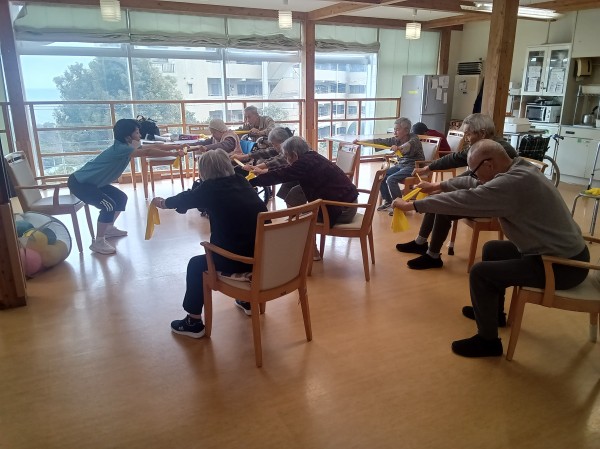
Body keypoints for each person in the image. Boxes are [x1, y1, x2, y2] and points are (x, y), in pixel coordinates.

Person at [392, 139, 590, 358]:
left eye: (475, 170)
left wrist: (413, 205)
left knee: (481, 274)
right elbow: (473, 183)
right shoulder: (517, 167)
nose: (474, 175)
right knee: (493, 249)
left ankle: (488, 342)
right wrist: (438, 186)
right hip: (551, 251)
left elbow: (466, 199)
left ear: (489, 164)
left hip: (564, 265)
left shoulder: (512, 183)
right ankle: (494, 315)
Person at [152, 149, 268, 338]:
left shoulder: (210, 188)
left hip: (238, 260)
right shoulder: (241, 181)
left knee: (196, 265)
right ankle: (246, 301)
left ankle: (193, 322)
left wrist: (164, 203)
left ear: (204, 171)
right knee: (240, 234)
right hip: (263, 255)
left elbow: (186, 198)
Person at [396, 113, 517, 270]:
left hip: (491, 201)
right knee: (438, 197)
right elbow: (461, 164)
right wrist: (433, 176)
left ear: (482, 133)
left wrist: (439, 186)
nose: (466, 138)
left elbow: (476, 180)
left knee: (444, 206)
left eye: (468, 134)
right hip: (482, 193)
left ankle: (433, 256)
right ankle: (420, 243)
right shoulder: (484, 145)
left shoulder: (495, 151)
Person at [68, 118, 185, 255]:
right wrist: (173, 153)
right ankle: (98, 242)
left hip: (94, 183)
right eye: (137, 133)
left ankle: (108, 228)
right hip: (80, 183)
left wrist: (176, 147)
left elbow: (154, 147)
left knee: (121, 198)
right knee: (108, 206)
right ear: (127, 136)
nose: (140, 135)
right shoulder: (121, 149)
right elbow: (148, 152)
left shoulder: (128, 147)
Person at [250, 136, 358, 227]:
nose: (287, 160)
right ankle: (293, 223)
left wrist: (250, 183)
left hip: (342, 210)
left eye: (287, 156)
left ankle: (298, 231)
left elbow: (282, 175)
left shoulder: (304, 163)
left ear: (294, 154)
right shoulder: (311, 156)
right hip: (347, 204)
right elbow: (287, 169)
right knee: (295, 191)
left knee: (300, 219)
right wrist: (264, 172)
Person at [354, 117, 423, 212]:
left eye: (397, 130)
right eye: (394, 129)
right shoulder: (396, 139)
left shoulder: (414, 139)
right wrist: (361, 142)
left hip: (414, 166)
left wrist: (398, 148)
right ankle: (388, 201)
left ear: (406, 130)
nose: (394, 132)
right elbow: (380, 141)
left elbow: (407, 146)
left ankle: (400, 205)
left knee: (391, 179)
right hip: (401, 165)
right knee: (382, 176)